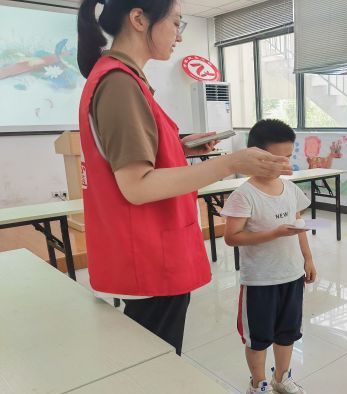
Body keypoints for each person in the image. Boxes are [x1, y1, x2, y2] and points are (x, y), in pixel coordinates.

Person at [76, 0, 291, 355]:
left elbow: (137, 158)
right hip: (147, 256)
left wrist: (180, 147)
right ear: (138, 19)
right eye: (176, 23)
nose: (179, 36)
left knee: (151, 356)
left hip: (146, 252)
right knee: (154, 363)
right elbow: (137, 186)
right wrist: (231, 163)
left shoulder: (120, 78)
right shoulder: (119, 84)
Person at [221, 119, 316, 394]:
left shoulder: (290, 189)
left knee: (288, 332)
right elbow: (231, 237)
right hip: (260, 281)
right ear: (256, 156)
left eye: (288, 156)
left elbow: (299, 227)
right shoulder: (244, 195)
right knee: (258, 338)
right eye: (277, 158)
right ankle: (258, 384)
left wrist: (308, 259)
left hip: (292, 275)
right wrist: (274, 233)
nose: (285, 163)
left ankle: (281, 378)